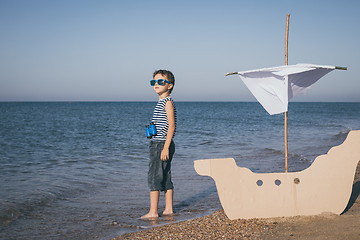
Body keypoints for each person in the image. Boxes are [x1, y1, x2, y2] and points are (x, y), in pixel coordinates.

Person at [141, 70, 177, 219]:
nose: (156, 84)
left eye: (160, 82)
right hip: (159, 142)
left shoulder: (167, 102)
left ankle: (153, 212)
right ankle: (168, 209)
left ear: (169, 86)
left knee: (154, 177)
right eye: (153, 82)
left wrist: (166, 147)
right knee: (165, 176)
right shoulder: (161, 102)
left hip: (161, 143)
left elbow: (172, 126)